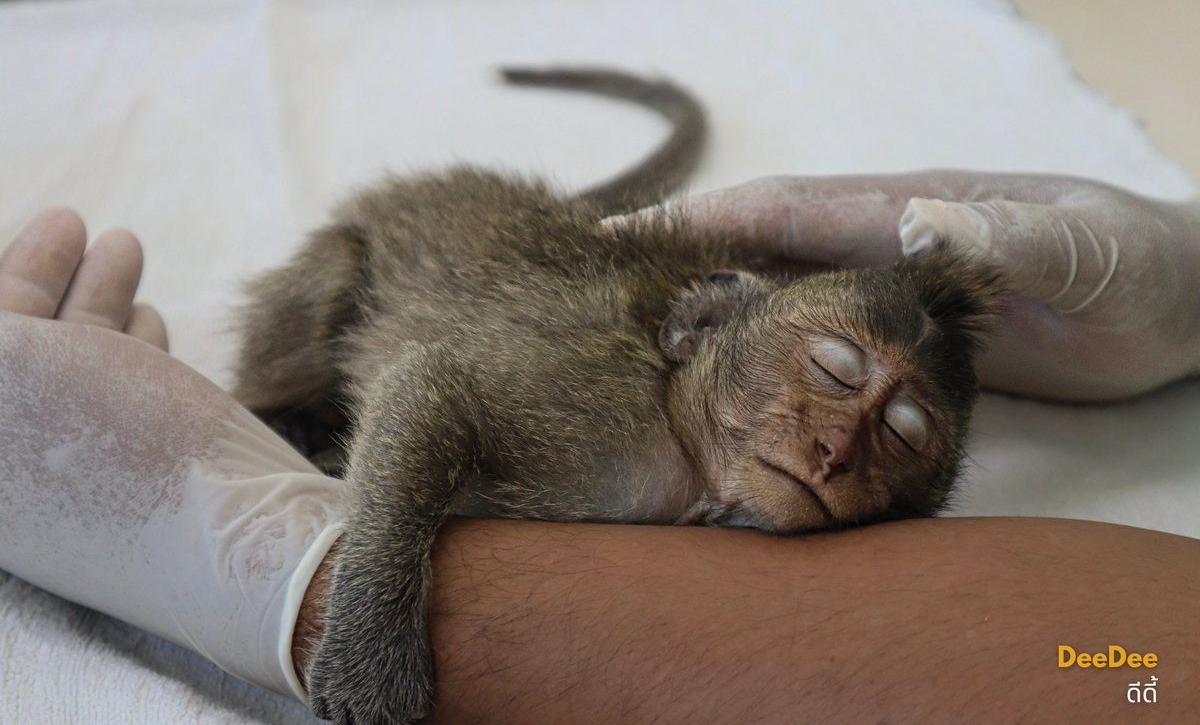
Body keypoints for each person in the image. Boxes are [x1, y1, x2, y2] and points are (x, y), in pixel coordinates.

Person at [1, 172, 1197, 724]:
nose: (836, 445)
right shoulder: (614, 405)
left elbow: (1127, 671)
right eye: (832, 375)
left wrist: (251, 567)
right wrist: (353, 585)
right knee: (316, 326)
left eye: (901, 437)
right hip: (389, 271)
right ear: (700, 324)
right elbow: (427, 392)